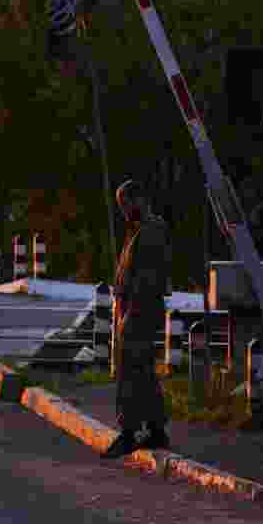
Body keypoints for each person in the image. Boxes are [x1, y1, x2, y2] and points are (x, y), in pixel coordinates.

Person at [102, 179, 172, 459]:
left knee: (129, 374)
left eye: (125, 204)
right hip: (132, 311)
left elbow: (146, 280)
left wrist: (129, 315)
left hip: (138, 312)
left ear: (139, 199)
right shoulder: (138, 231)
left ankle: (129, 432)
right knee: (141, 372)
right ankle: (155, 429)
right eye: (120, 205)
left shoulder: (150, 231)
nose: (123, 210)